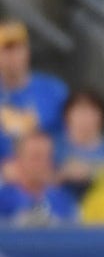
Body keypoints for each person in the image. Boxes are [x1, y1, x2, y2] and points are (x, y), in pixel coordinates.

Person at [0, 19, 68, 162]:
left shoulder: (53, 91)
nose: (13, 57)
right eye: (6, 50)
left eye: (18, 49)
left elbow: (68, 138)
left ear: (27, 51)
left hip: (46, 173)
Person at [0, 132, 76, 227]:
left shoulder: (63, 200)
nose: (42, 163)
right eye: (36, 157)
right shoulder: (3, 199)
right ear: (19, 160)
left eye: (47, 157)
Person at [55, 90, 104, 199]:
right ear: (67, 115)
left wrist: (92, 173)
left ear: (101, 117)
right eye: (80, 111)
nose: (85, 118)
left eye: (92, 112)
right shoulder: (53, 146)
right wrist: (63, 174)